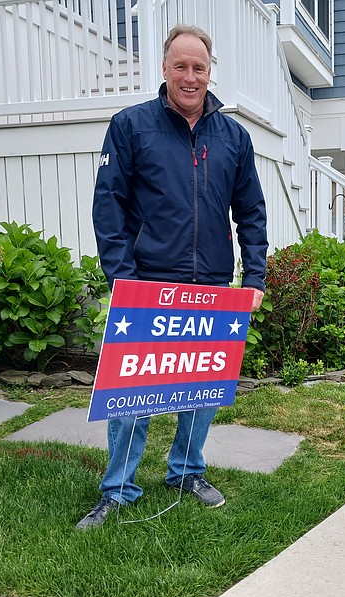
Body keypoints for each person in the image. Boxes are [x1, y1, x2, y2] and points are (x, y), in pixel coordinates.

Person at [77, 24, 268, 529]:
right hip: (147, 284)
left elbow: (251, 211)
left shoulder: (234, 138)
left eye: (198, 67)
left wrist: (255, 279)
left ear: (210, 72)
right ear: (164, 70)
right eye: (180, 66)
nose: (189, 76)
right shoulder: (131, 126)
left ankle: (186, 470)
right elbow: (108, 207)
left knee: (202, 391)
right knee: (131, 397)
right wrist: (123, 278)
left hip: (212, 289)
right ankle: (118, 490)